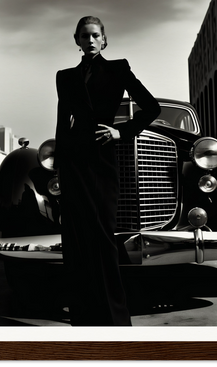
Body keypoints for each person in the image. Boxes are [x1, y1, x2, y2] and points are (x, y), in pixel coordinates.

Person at [53, 16, 161, 326]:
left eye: (95, 35)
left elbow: (150, 107)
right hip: (74, 166)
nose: (89, 40)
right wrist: (60, 170)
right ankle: (83, 317)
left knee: (102, 241)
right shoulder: (64, 77)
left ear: (104, 40)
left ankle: (115, 319)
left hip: (101, 165)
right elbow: (62, 124)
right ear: (76, 40)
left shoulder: (118, 69)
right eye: (84, 36)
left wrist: (121, 132)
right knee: (76, 242)